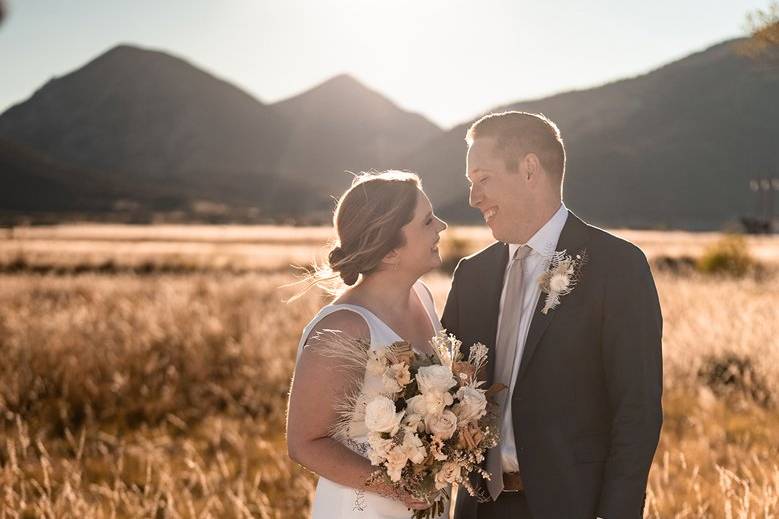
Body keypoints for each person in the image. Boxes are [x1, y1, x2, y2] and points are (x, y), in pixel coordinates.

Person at [444, 111, 663, 519]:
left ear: (529, 169)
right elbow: (446, 391)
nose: (474, 198)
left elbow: (638, 410)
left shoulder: (616, 266)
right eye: (471, 183)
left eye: (483, 178)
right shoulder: (471, 275)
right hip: (477, 509)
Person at [287, 170, 449, 518]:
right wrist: (396, 487)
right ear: (391, 250)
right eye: (427, 221)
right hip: (366, 508)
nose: (442, 227)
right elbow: (305, 443)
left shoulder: (421, 297)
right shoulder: (344, 327)